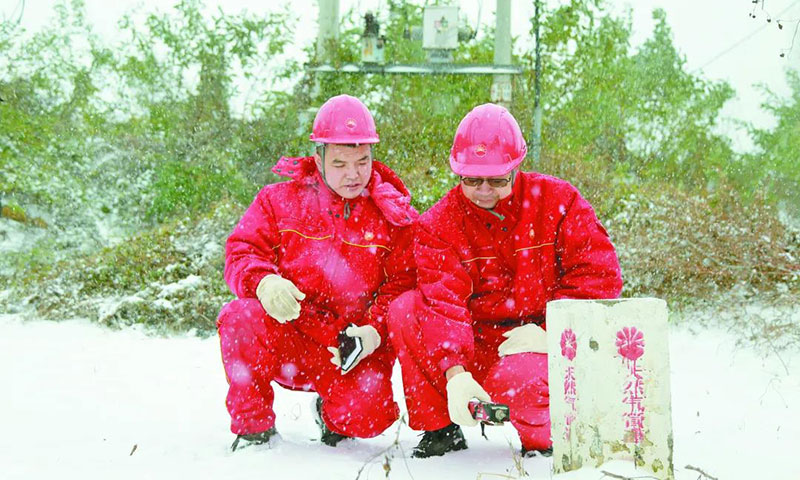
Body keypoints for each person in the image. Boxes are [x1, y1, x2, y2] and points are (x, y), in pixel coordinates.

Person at [387, 103, 622, 458]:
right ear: (457, 173)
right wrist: (455, 373)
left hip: (536, 339)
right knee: (406, 309)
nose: (484, 190)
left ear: (517, 167)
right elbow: (442, 303)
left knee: (520, 382)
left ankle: (543, 440)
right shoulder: (438, 225)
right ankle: (441, 428)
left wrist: (554, 330)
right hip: (474, 339)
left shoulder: (560, 202)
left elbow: (599, 274)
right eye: (472, 180)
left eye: (497, 180)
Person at [217, 94, 417, 451]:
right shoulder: (278, 200)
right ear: (318, 157)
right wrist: (263, 281)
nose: (353, 174)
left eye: (362, 162)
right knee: (239, 317)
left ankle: (332, 412)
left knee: (369, 418)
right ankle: (253, 429)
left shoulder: (393, 215)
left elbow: (404, 283)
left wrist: (373, 330)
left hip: (347, 344)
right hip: (289, 330)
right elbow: (241, 250)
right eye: (340, 163)